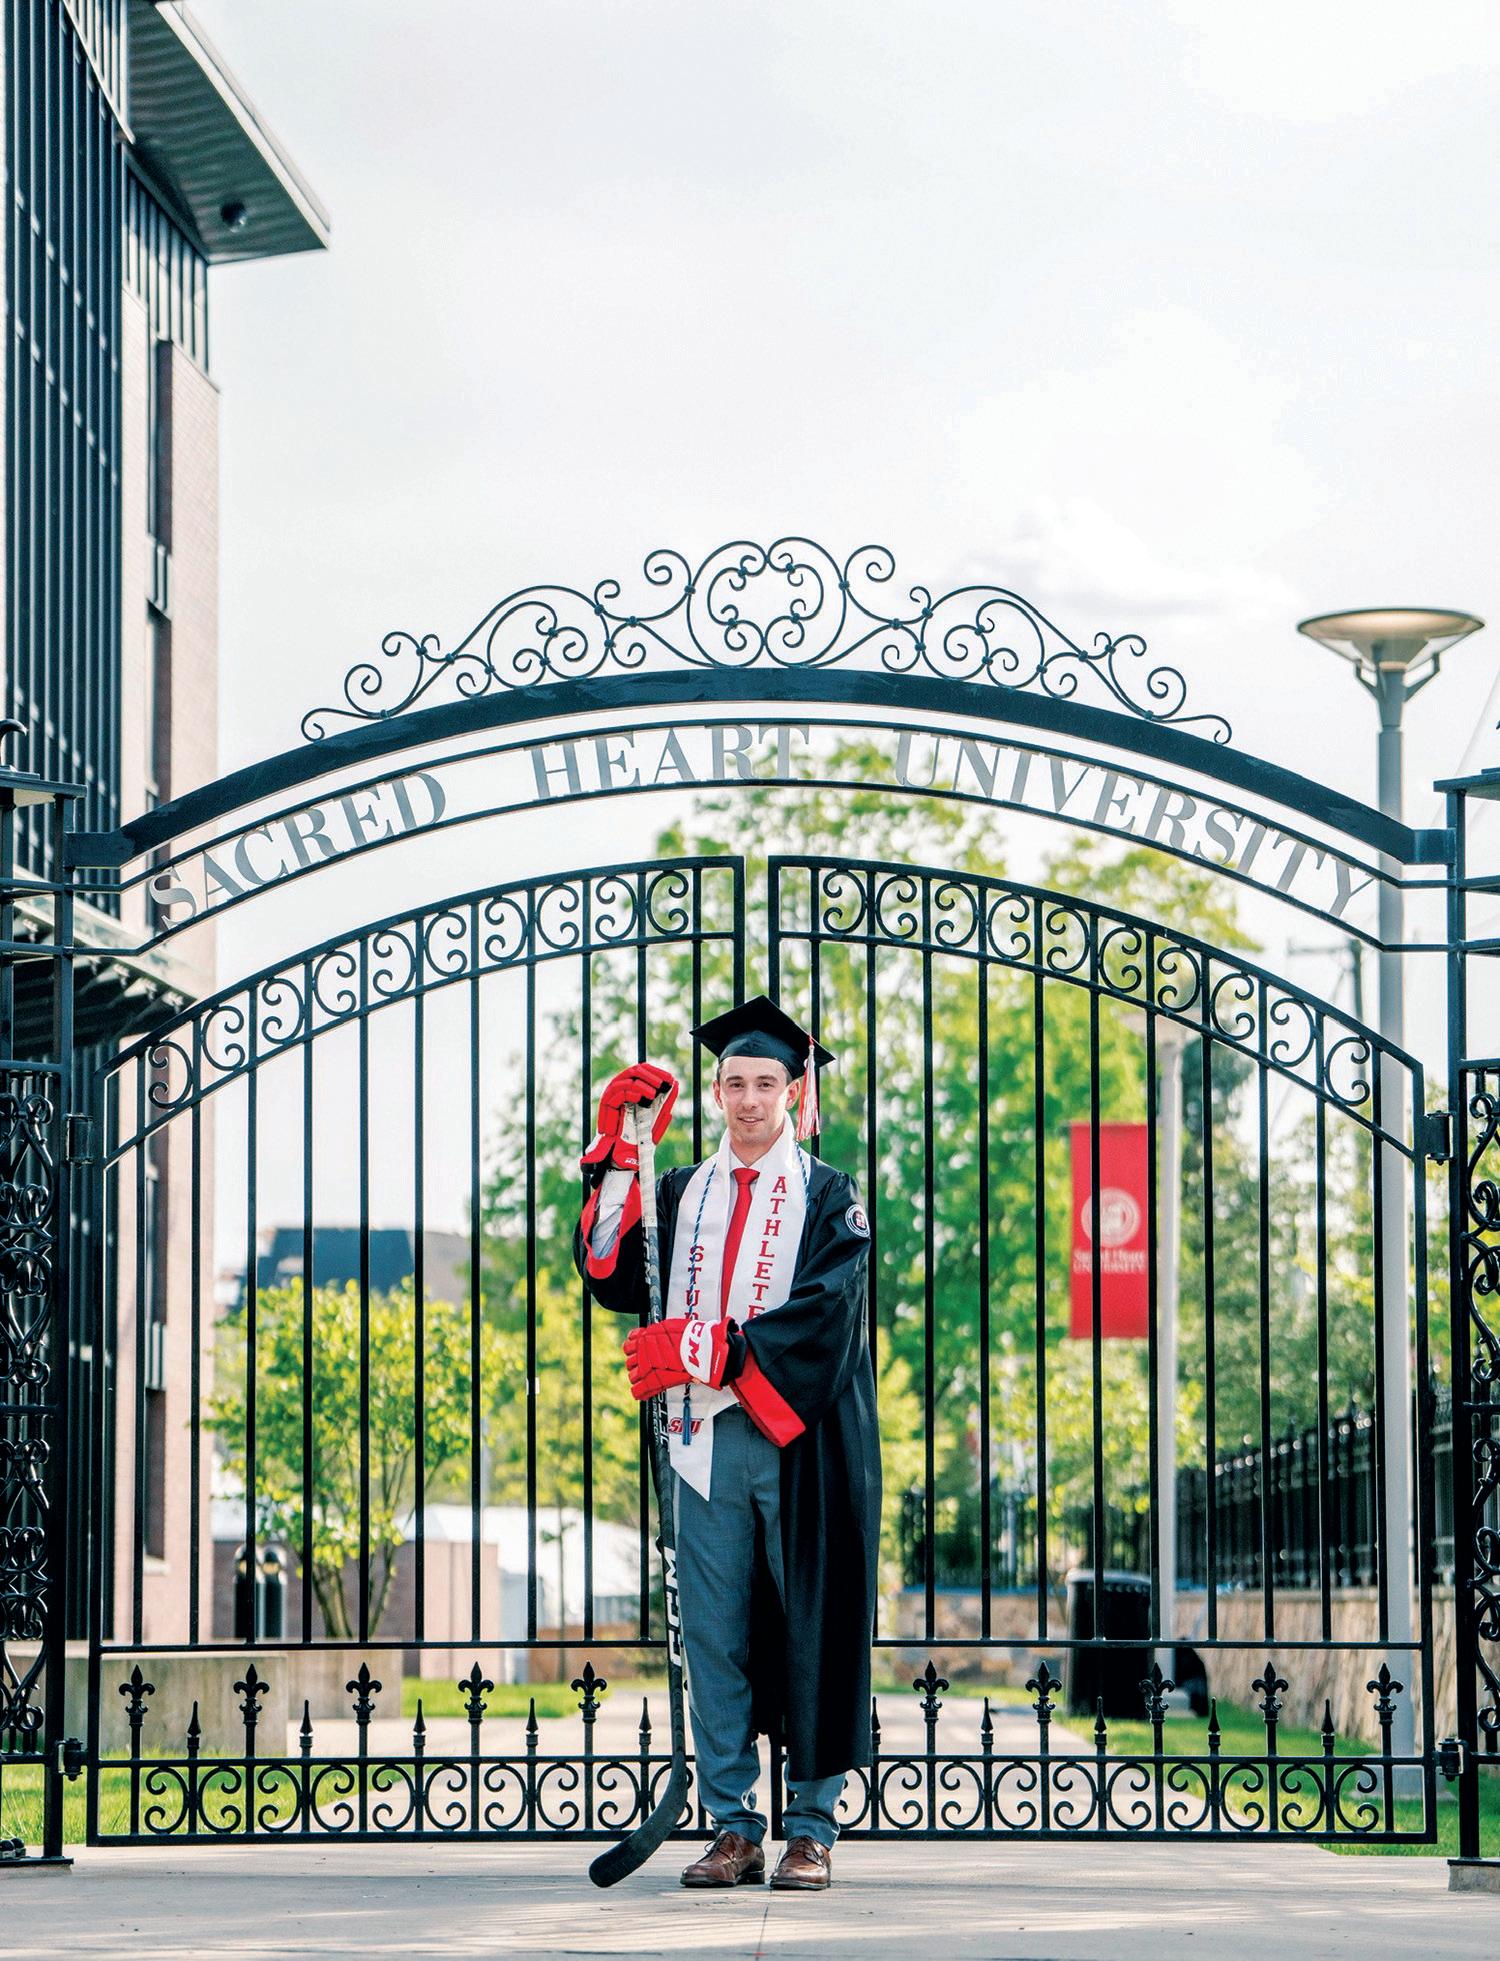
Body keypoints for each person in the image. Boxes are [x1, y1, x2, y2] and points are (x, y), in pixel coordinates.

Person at [573, 996, 879, 1893]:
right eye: (734, 1082)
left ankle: (811, 1829)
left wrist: (712, 1348)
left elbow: (828, 1313)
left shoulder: (830, 1195)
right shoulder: (679, 1193)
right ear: (714, 1092)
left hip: (800, 1443)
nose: (748, 1099)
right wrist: (619, 1157)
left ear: (793, 1091)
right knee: (713, 1634)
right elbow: (613, 1269)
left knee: (811, 1625)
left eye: (765, 1083)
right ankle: (735, 1825)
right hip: (700, 1439)